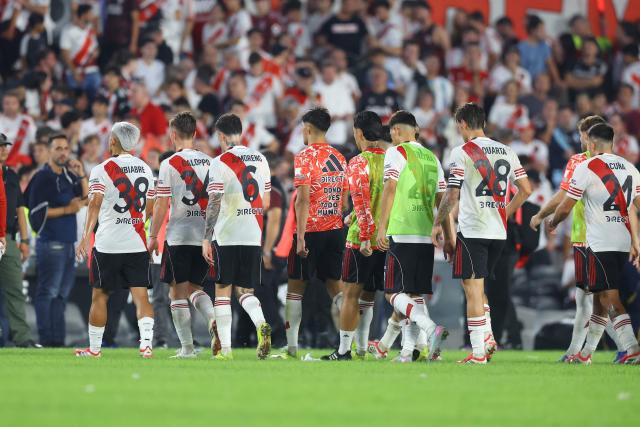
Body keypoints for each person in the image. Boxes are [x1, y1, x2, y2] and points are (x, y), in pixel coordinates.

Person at [435, 103, 532, 364]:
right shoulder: (506, 150)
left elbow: (452, 193)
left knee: (472, 289)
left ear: (463, 124)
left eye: (459, 126)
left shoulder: (462, 151)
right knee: (479, 288)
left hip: (474, 229)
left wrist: (438, 222)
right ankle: (487, 338)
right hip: (498, 233)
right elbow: (526, 189)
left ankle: (478, 352)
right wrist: (505, 213)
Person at [530, 115, 626, 362]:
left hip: (588, 237)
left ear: (588, 136)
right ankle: (580, 353)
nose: (583, 140)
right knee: (589, 299)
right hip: (607, 236)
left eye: (584, 135)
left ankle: (625, 347)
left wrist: (543, 215)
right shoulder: (618, 164)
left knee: (597, 299)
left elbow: (563, 195)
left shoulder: (579, 162)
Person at [549, 123, 640, 365]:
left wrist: (554, 222)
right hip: (625, 241)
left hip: (601, 242)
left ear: (591, 143)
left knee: (609, 298)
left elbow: (566, 205)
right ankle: (585, 353)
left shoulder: (586, 166)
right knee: (599, 298)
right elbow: (638, 205)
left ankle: (632, 348)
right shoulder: (631, 169)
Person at [75, 122, 156, 358]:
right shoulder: (145, 169)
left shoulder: (102, 169)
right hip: (136, 243)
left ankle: (95, 350)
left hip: (108, 244)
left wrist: (85, 237)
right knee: (141, 295)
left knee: (100, 295)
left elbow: (95, 204)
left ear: (112, 140)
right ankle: (147, 345)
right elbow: (150, 207)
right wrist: (137, 223)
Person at [374, 110, 449, 363]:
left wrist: (381, 227)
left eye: (393, 131)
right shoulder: (432, 158)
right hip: (426, 233)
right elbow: (444, 201)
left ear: (395, 131)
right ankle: (407, 351)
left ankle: (430, 328)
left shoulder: (396, 152)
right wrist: (448, 236)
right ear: (415, 129)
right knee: (413, 295)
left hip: (403, 229)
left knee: (392, 293)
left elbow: (390, 187)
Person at [201, 113, 272, 361]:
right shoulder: (261, 159)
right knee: (245, 291)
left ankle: (226, 352)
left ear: (221, 136)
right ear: (240, 133)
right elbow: (268, 201)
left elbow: (214, 201)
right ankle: (261, 322)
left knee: (222, 290)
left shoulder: (219, 162)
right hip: (252, 232)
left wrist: (206, 238)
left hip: (227, 233)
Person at [147, 111, 218, 358]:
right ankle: (212, 318)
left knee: (176, 292)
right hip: (204, 237)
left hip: (178, 235)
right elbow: (215, 200)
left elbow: (161, 204)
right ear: (195, 134)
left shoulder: (168, 164)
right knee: (196, 287)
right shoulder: (210, 162)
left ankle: (187, 348)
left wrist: (153, 234)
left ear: (172, 134)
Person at [283, 107, 348, 359]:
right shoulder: (339, 157)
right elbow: (344, 201)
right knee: (338, 290)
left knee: (295, 289)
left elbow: (303, 199)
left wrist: (299, 237)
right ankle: (347, 344)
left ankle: (291, 348)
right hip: (335, 230)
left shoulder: (304, 156)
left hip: (310, 230)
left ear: (308, 128)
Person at [322, 111, 386, 361]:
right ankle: (362, 348)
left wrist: (366, 235)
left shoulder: (359, 162)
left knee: (350, 294)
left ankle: (344, 350)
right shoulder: (391, 159)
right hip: (387, 237)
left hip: (363, 239)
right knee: (370, 295)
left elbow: (361, 201)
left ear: (358, 133)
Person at [27, 134, 88, 347]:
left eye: (65, 148)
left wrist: (81, 174)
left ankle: (57, 341)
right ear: (50, 151)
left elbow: (87, 199)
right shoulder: (42, 177)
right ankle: (46, 339)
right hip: (51, 241)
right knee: (48, 292)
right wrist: (66, 209)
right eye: (58, 148)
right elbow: (35, 211)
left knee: (61, 295)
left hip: (68, 242)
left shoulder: (68, 176)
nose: (62, 152)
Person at [0, 134, 37, 347]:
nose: (4, 149)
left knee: (15, 288)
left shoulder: (12, 176)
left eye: (5, 146)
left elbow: (20, 209)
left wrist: (24, 239)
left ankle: (22, 338)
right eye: (1, 146)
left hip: (8, 238)